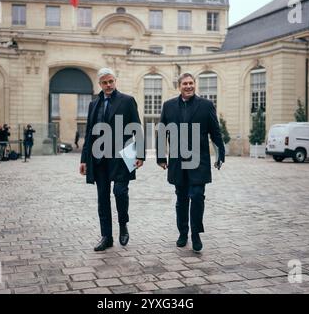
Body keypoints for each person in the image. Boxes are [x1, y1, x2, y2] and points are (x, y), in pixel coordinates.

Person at [156, 72, 225, 253]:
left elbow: (215, 132)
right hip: (178, 161)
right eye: (185, 84)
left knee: (197, 196)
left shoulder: (206, 105)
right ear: (179, 86)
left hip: (199, 160)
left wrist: (220, 154)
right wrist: (161, 158)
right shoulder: (169, 106)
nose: (188, 86)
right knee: (181, 198)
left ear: (194, 85)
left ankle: (196, 233)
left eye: (191, 83)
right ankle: (182, 232)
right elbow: (162, 132)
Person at [79, 68, 144, 252]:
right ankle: (106, 237)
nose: (108, 85)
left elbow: (136, 128)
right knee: (102, 199)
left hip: (124, 155)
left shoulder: (127, 101)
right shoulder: (94, 104)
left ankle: (123, 224)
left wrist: (140, 154)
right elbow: (90, 134)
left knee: (120, 192)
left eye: (111, 81)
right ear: (99, 84)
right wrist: (84, 159)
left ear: (115, 81)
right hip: (99, 158)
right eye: (104, 82)